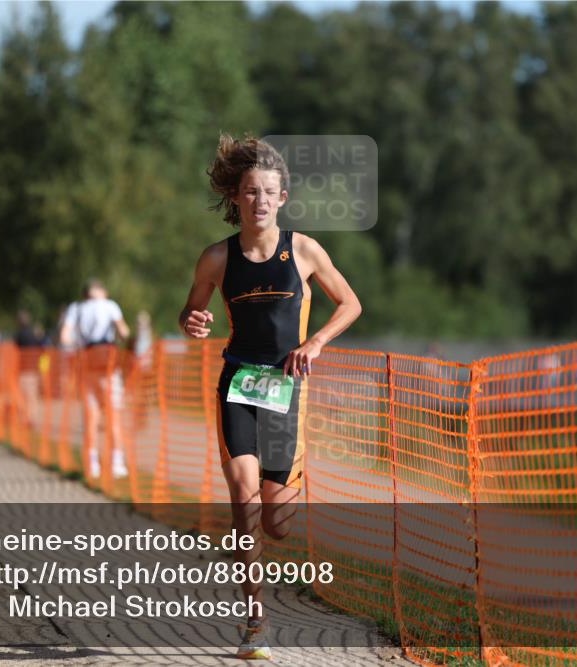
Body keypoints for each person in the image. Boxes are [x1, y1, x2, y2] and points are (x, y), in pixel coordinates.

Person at [179, 134, 361, 659]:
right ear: (236, 197)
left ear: (283, 198)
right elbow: (190, 310)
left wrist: (315, 343)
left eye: (268, 192)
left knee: (277, 524)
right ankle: (255, 622)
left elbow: (350, 304)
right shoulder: (217, 258)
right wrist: (192, 321)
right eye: (250, 191)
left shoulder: (303, 250)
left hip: (285, 390)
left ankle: (291, 481)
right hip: (237, 383)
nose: (259, 200)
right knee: (244, 499)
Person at [61, 279, 131, 480]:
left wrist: (78, 345)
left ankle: (92, 464)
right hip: (107, 367)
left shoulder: (76, 308)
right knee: (113, 416)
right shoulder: (110, 306)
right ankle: (117, 463)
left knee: (90, 417)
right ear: (103, 291)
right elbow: (124, 332)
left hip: (86, 365)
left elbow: (65, 337)